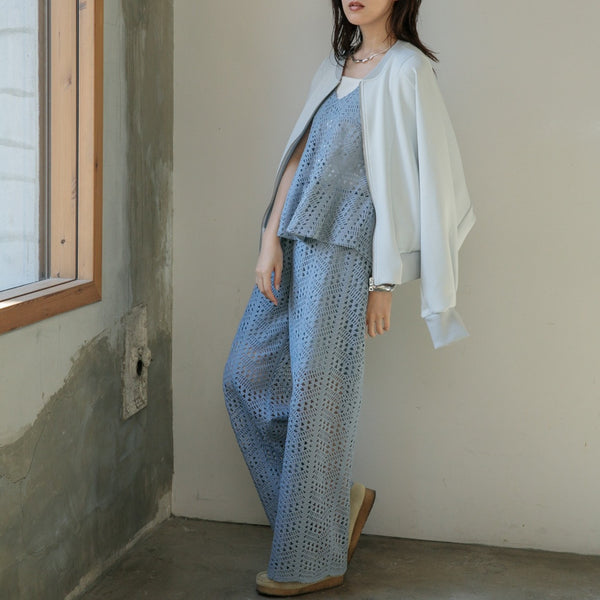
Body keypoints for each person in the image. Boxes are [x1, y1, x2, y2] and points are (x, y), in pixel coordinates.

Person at [222, 0, 476, 595]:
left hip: (345, 255)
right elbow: (298, 157)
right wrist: (269, 239)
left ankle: (313, 560)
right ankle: (337, 506)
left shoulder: (409, 69)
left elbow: (423, 179)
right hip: (293, 242)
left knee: (319, 402)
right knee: (244, 377)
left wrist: (382, 282)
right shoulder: (333, 65)